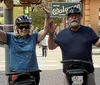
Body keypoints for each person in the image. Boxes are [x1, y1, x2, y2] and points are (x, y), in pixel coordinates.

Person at [47, 6, 100, 85]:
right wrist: (51, 35)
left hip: (88, 71)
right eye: (71, 16)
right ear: (67, 19)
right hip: (68, 72)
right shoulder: (62, 34)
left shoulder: (88, 31)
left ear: (80, 18)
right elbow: (51, 47)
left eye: (76, 15)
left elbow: (98, 43)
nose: (74, 17)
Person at [0, 15, 49, 85]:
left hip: (32, 73)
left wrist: (47, 16)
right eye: (21, 26)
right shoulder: (10, 38)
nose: (24, 29)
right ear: (16, 27)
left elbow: (45, 30)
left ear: (29, 27)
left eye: (26, 26)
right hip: (15, 73)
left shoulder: (33, 37)